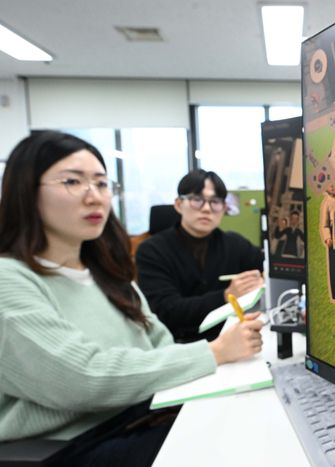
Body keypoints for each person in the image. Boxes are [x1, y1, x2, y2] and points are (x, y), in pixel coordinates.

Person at [0, 131, 264, 466]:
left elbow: (160, 343)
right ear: (25, 191)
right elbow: (83, 377)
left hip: (142, 414)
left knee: (250, 418)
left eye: (101, 183)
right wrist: (215, 351)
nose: (94, 197)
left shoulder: (107, 273)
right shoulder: (10, 279)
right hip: (72, 444)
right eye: (72, 181)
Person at [136, 169, 264, 342]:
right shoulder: (152, 251)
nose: (206, 209)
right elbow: (166, 310)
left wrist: (263, 280)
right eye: (197, 200)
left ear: (224, 208)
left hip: (230, 339)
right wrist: (225, 296)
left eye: (215, 202)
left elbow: (267, 269)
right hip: (178, 345)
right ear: (178, 205)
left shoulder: (235, 244)